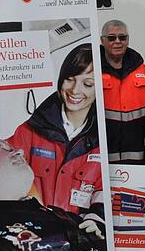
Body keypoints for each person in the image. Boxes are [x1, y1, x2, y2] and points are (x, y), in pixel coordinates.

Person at [6, 44, 104, 237]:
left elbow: (104, 188)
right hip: (32, 237)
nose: (75, 90)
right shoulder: (29, 131)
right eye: (69, 79)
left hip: (80, 242)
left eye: (88, 84)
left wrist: (96, 218)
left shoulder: (106, 138)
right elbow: (1, 167)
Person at [100, 19, 145, 165]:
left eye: (122, 37)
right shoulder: (93, 69)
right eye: (111, 38)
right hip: (105, 155)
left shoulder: (141, 69)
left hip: (137, 155)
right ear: (102, 40)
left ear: (127, 40)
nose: (117, 41)